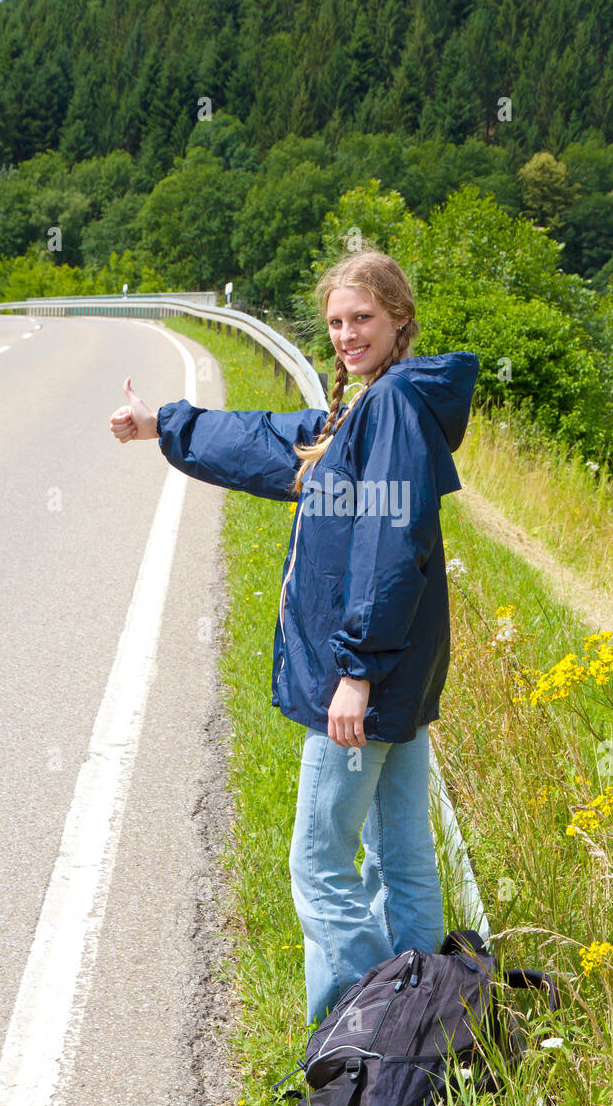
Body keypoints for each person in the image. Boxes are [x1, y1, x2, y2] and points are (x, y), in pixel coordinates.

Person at [109, 250, 479, 1029]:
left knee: (319, 864)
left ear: (400, 320)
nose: (347, 335)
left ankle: (356, 1039)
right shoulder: (373, 408)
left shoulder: (395, 410)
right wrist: (163, 425)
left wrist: (356, 671)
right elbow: (272, 442)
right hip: (399, 681)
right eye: (338, 322)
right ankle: (422, 1033)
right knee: (402, 861)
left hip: (367, 684)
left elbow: (389, 544)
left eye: (363, 320)